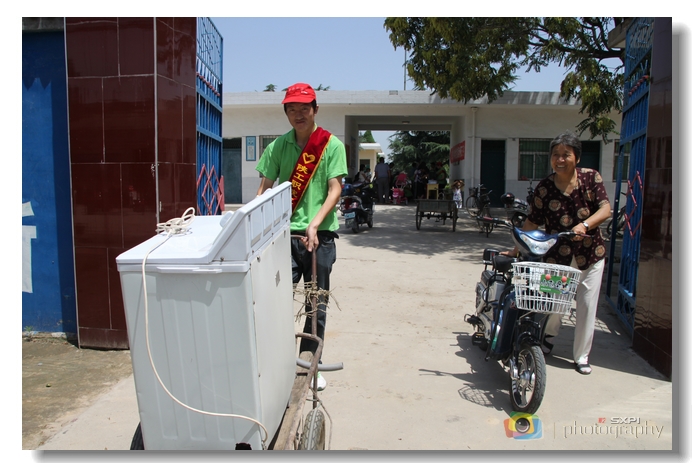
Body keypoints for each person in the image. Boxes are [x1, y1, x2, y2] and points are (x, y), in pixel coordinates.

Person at [256, 83, 348, 390]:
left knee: (315, 305)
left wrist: (315, 224)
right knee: (276, 302)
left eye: (304, 108)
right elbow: (264, 190)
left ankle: (311, 366)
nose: (299, 114)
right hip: (284, 237)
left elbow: (335, 188)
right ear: (286, 113)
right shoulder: (277, 147)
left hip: (319, 237)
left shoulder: (331, 145)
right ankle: (278, 364)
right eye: (292, 109)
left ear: (315, 110)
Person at [502, 131, 611, 376]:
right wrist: (518, 248)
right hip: (557, 257)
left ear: (577, 158)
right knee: (554, 305)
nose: (560, 160)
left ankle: (581, 356)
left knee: (586, 306)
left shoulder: (591, 178)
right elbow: (532, 221)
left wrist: (584, 225)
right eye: (555, 155)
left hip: (590, 255)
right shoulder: (545, 188)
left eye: (566, 155)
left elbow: (605, 210)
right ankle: (548, 336)